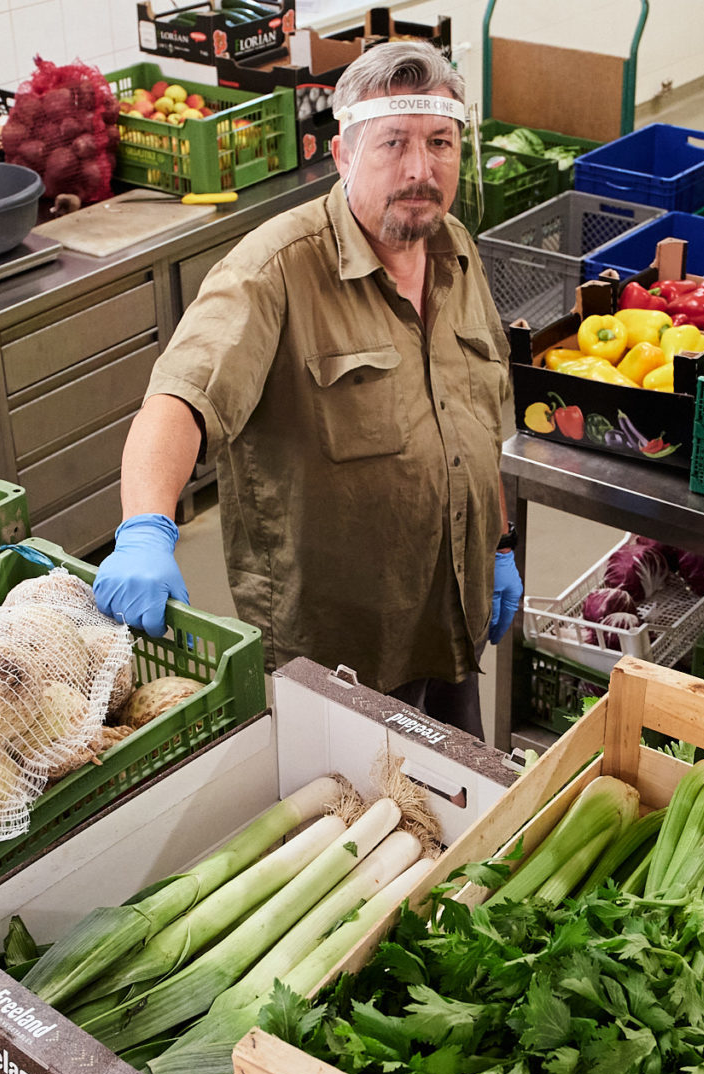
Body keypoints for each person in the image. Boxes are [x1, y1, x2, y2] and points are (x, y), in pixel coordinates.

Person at [91, 40, 521, 737]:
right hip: (338, 662)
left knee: (456, 818)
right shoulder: (273, 271)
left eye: (441, 142)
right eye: (393, 144)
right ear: (343, 155)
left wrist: (499, 548)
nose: (421, 169)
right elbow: (179, 400)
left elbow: (468, 415)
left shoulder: (456, 250)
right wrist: (145, 528)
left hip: (451, 625)